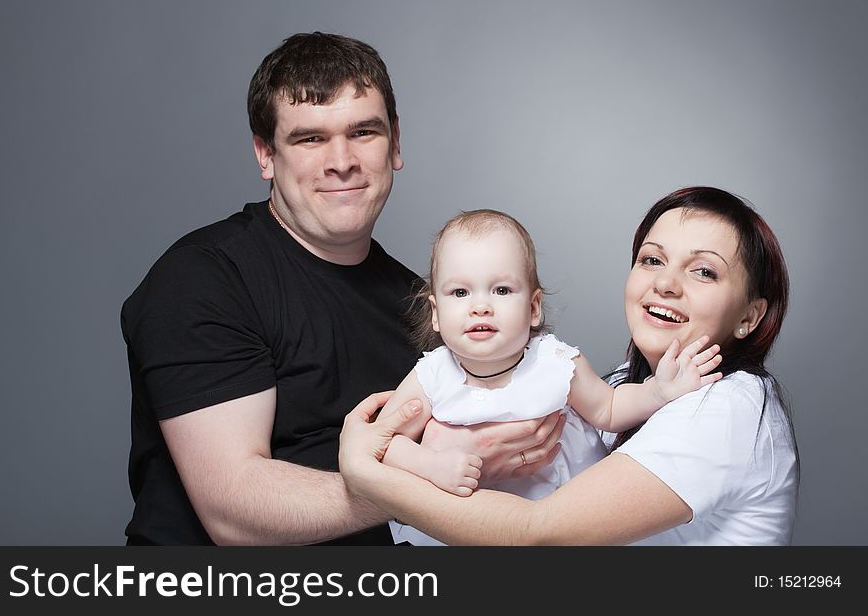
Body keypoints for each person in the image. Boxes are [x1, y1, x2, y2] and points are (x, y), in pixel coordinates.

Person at [120, 32, 561, 545]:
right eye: (310, 138)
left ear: (396, 142)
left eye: (363, 132)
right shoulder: (203, 280)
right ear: (265, 155)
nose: (342, 160)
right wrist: (448, 479)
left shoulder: (431, 306)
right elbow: (235, 512)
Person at [340, 186, 800, 545]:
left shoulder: (731, 406)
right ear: (436, 311)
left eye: (703, 271)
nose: (665, 283)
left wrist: (366, 473)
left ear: (749, 316)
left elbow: (539, 532)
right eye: (652, 259)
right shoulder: (623, 379)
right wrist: (438, 455)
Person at [379, 209, 723, 545]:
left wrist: (660, 391)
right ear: (436, 314)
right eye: (460, 293)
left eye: (501, 291)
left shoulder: (555, 363)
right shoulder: (432, 375)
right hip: (467, 528)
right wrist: (430, 465)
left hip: (561, 521)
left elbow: (609, 408)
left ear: (533, 308)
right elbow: (385, 444)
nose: (480, 306)